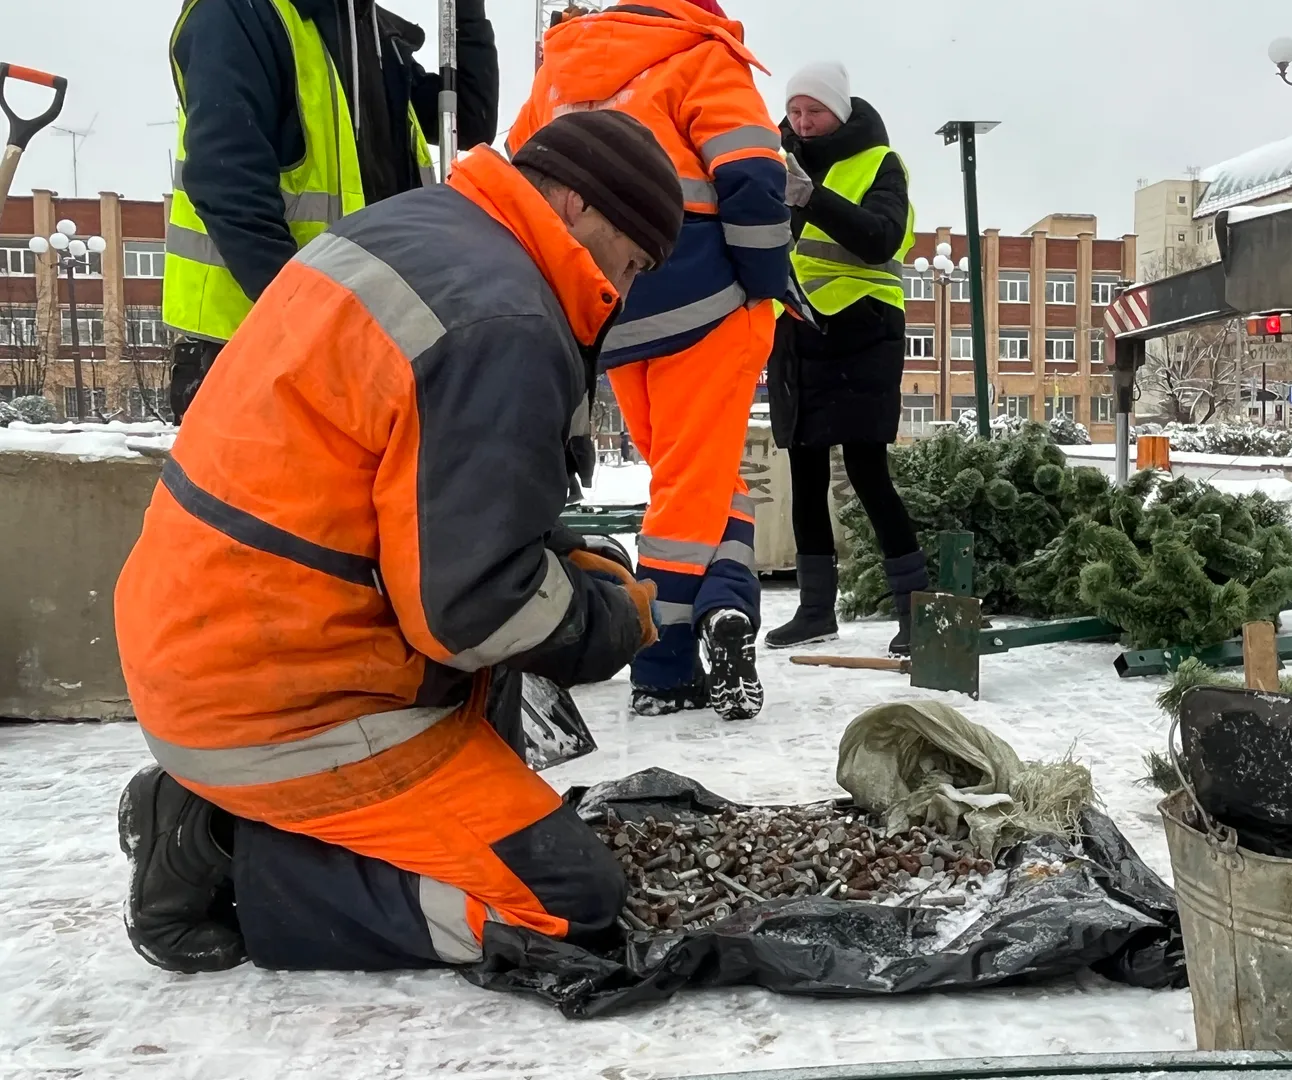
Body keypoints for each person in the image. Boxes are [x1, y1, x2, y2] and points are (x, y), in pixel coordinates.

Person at [113, 110, 681, 974]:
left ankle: (226, 811)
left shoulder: (423, 230)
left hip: (209, 640)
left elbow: (414, 485)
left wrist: (559, 555)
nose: (625, 290)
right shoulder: (509, 320)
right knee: (562, 908)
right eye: (632, 263)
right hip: (284, 701)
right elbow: (470, 613)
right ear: (576, 206)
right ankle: (220, 844)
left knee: (508, 725)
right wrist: (613, 623)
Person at [508, 0, 789, 721]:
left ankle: (725, 606)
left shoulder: (564, 67)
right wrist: (762, 281)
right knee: (689, 494)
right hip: (705, 293)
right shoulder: (702, 53)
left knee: (692, 482)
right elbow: (754, 171)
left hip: (615, 304)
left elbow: (522, 176)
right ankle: (661, 662)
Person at [163, 0, 500, 420]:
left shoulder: (369, 32)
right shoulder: (239, 14)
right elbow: (229, 186)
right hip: (254, 348)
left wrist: (466, 13)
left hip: (363, 341)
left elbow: (468, 118)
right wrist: (320, 330)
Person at [764, 63, 926, 656]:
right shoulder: (773, 159)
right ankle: (814, 612)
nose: (803, 123)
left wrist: (811, 196)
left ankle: (915, 611)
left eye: (816, 111)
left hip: (862, 326)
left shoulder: (880, 162)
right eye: (796, 111)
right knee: (803, 472)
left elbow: (881, 237)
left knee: (866, 471)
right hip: (796, 327)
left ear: (842, 110)